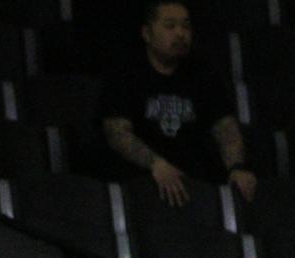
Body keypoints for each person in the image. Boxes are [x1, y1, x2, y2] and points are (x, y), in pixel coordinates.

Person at [100, 1, 257, 205]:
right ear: (147, 34)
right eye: (170, 26)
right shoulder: (125, 75)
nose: (180, 33)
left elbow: (225, 127)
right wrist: (156, 164)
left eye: (186, 26)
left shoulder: (204, 75)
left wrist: (236, 168)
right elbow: (117, 133)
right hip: (142, 181)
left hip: (196, 180)